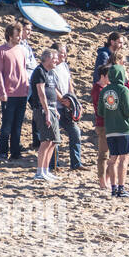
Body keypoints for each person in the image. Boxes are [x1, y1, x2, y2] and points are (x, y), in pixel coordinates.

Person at [98, 65, 129, 197]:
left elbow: (100, 112)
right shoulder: (123, 90)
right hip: (124, 128)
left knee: (113, 159)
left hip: (110, 129)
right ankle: (121, 188)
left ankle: (113, 188)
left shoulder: (104, 91)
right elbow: (128, 110)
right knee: (124, 159)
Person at [0, 23, 28, 162]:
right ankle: (3, 152)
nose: (20, 37)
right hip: (9, 94)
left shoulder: (22, 49)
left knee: (18, 125)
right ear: (9, 35)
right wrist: (2, 92)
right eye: (17, 34)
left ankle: (15, 152)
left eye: (20, 34)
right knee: (6, 125)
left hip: (22, 93)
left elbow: (24, 69)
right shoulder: (1, 50)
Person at [29, 49, 61, 183]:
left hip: (52, 109)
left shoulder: (51, 72)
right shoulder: (39, 71)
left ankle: (46, 170)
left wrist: (55, 109)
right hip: (42, 109)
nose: (56, 61)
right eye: (54, 58)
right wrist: (47, 111)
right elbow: (41, 93)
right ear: (47, 59)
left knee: (53, 141)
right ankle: (39, 171)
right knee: (45, 140)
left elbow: (52, 90)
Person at [50, 44, 83, 172]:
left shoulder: (64, 65)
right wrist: (63, 100)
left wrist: (72, 98)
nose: (64, 55)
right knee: (55, 137)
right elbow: (52, 87)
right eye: (62, 53)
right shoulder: (52, 68)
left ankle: (76, 163)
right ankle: (55, 164)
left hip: (67, 107)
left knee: (75, 133)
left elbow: (69, 82)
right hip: (56, 107)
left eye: (65, 53)